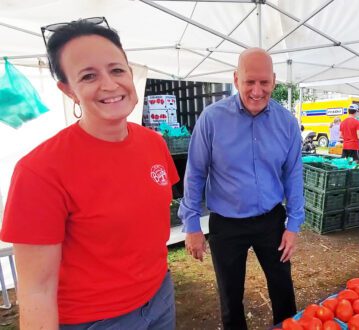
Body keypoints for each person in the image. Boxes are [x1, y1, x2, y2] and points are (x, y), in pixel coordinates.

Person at [0, 18, 179, 329]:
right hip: (95, 320)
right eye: (88, 76)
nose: (109, 85)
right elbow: (36, 292)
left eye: (117, 70)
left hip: (159, 297)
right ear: (68, 90)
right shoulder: (39, 171)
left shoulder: (153, 144)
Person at [179, 48, 303, 329]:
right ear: (236, 79)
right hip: (226, 225)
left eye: (264, 82)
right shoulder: (211, 119)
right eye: (250, 82)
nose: (257, 91)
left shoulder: (287, 123)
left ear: (274, 81)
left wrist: (293, 225)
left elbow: (294, 174)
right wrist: (192, 225)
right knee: (230, 296)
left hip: (271, 221)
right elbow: (195, 173)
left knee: (283, 289)